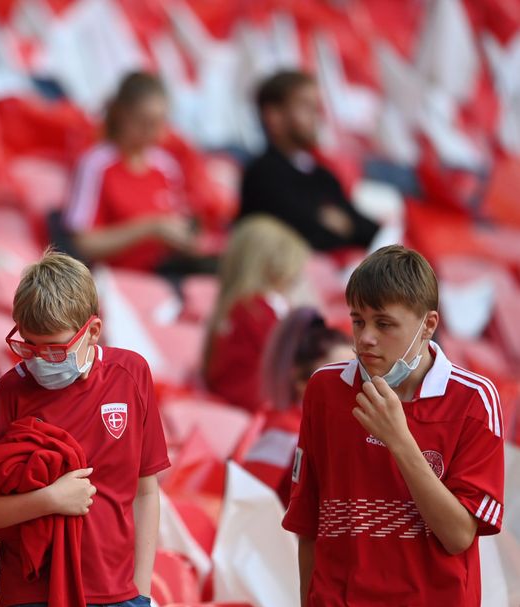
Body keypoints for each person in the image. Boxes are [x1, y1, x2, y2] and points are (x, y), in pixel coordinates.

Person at [283, 245, 505, 607]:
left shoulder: (474, 399)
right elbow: (309, 524)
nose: (366, 338)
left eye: (384, 324)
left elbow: (458, 536)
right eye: (358, 320)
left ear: (428, 324)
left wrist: (399, 441)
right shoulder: (325, 391)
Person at [0, 250, 170, 607]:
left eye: (53, 349)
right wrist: (48, 500)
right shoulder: (9, 392)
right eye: (27, 347)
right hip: (35, 606)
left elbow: (146, 490)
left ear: (94, 330)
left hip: (124, 604)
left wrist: (140, 591)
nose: (39, 361)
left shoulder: (132, 374)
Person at [61, 72, 210, 277]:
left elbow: (180, 223)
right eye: (144, 122)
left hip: (164, 273)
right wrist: (150, 228)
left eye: (159, 123)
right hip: (115, 278)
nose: (152, 132)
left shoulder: (166, 166)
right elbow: (84, 243)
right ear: (122, 115)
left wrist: (184, 238)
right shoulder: (97, 164)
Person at [238, 70, 379, 252]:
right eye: (305, 106)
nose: (316, 117)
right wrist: (336, 224)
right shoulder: (262, 175)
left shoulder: (322, 176)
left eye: (316, 107)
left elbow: (371, 231)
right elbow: (305, 235)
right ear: (274, 116)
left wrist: (346, 224)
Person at [241, 308, 350, 504]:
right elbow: (250, 505)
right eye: (335, 379)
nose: (351, 387)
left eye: (355, 375)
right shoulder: (286, 432)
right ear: (302, 382)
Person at [203, 215, 309, 412]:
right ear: (275, 265)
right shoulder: (256, 310)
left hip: (243, 404)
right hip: (252, 407)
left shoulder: (242, 306)